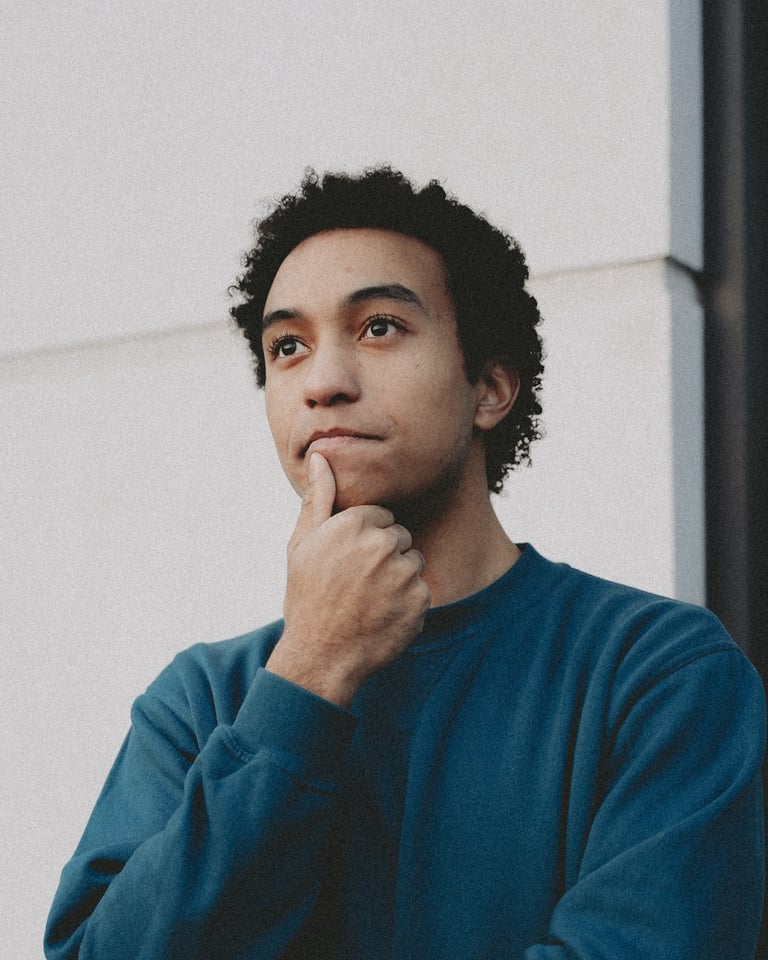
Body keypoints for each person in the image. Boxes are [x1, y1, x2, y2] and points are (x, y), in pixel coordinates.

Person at [45, 168, 765, 959]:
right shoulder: (203, 701)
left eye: (380, 327)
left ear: (489, 389)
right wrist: (310, 676)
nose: (322, 382)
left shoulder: (659, 674)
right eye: (288, 347)